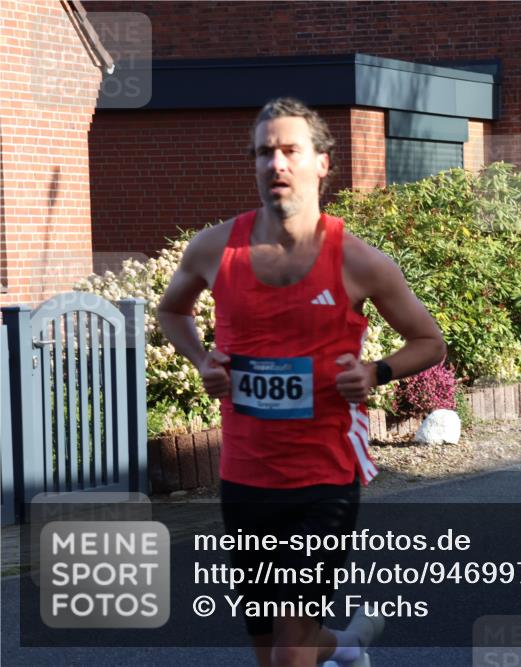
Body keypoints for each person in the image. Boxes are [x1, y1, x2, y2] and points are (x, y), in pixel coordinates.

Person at [158, 97, 446, 667]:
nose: (276, 164)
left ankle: (338, 646)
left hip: (323, 480)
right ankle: (350, 645)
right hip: (245, 477)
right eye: (264, 153)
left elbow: (429, 343)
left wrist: (375, 372)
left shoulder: (359, 261)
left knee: (290, 653)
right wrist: (201, 361)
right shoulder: (214, 249)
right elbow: (173, 312)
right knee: (270, 647)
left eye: (290, 150)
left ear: (322, 163)